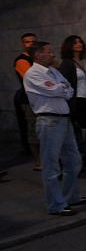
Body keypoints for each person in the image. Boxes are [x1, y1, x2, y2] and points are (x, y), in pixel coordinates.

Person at [23, 41, 86, 216]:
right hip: (49, 122)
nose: (53, 55)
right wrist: (61, 88)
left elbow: (69, 90)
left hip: (63, 120)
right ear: (38, 55)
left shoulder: (52, 71)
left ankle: (71, 196)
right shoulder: (33, 74)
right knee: (51, 166)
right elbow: (57, 90)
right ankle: (56, 204)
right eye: (49, 52)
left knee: (74, 161)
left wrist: (61, 88)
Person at [58, 35, 86, 172]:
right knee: (76, 133)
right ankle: (79, 163)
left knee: (81, 133)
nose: (78, 44)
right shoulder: (67, 63)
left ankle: (83, 162)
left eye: (80, 42)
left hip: (83, 101)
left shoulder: (81, 62)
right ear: (69, 46)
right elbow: (65, 84)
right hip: (75, 102)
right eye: (75, 43)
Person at [14, 32, 40, 169]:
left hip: (40, 98)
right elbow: (32, 80)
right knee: (33, 131)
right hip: (28, 99)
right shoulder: (21, 60)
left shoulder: (38, 58)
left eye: (33, 41)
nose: (31, 44)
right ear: (23, 44)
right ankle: (38, 162)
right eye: (27, 42)